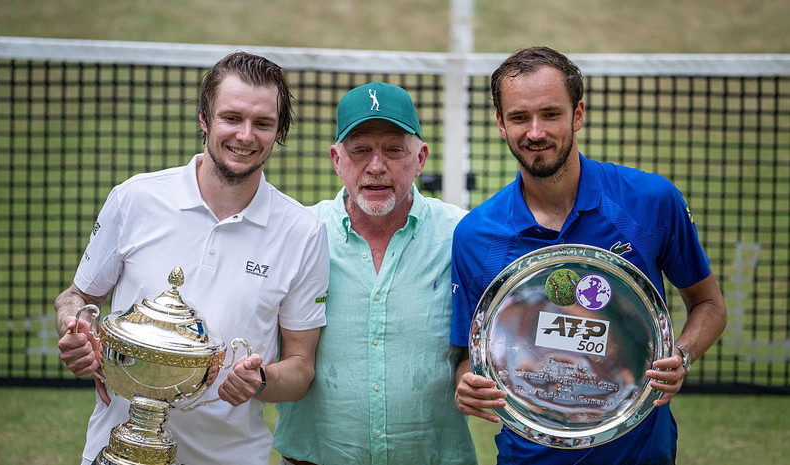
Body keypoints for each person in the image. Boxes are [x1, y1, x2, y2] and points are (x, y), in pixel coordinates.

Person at [451, 46, 727, 465]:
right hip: (529, 457)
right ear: (501, 125)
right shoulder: (475, 236)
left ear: (578, 114)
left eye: (551, 114)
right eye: (519, 117)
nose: (536, 132)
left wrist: (682, 356)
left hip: (638, 454)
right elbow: (474, 351)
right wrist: (465, 382)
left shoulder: (651, 202)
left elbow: (709, 304)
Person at [54, 51, 330, 465]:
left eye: (263, 123)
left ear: (279, 131)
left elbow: (301, 369)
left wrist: (260, 380)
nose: (245, 135)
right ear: (205, 117)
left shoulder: (303, 232)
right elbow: (77, 297)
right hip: (117, 453)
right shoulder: (135, 198)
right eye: (231, 118)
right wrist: (76, 329)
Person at [273, 81, 477, 465]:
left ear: (420, 158)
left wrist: (471, 374)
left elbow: (477, 348)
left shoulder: (461, 235)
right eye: (360, 150)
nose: (377, 166)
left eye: (394, 150)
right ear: (337, 159)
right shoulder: (298, 234)